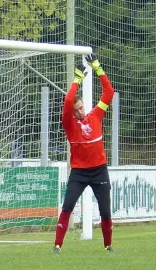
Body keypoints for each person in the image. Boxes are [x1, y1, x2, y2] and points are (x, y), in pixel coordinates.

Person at [52, 54, 115, 254]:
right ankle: (57, 246)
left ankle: (108, 246)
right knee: (68, 206)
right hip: (79, 173)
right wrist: (77, 78)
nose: (80, 111)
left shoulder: (96, 115)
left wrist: (97, 68)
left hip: (99, 171)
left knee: (105, 211)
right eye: (77, 110)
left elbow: (109, 92)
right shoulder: (70, 125)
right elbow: (69, 99)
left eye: (81, 108)